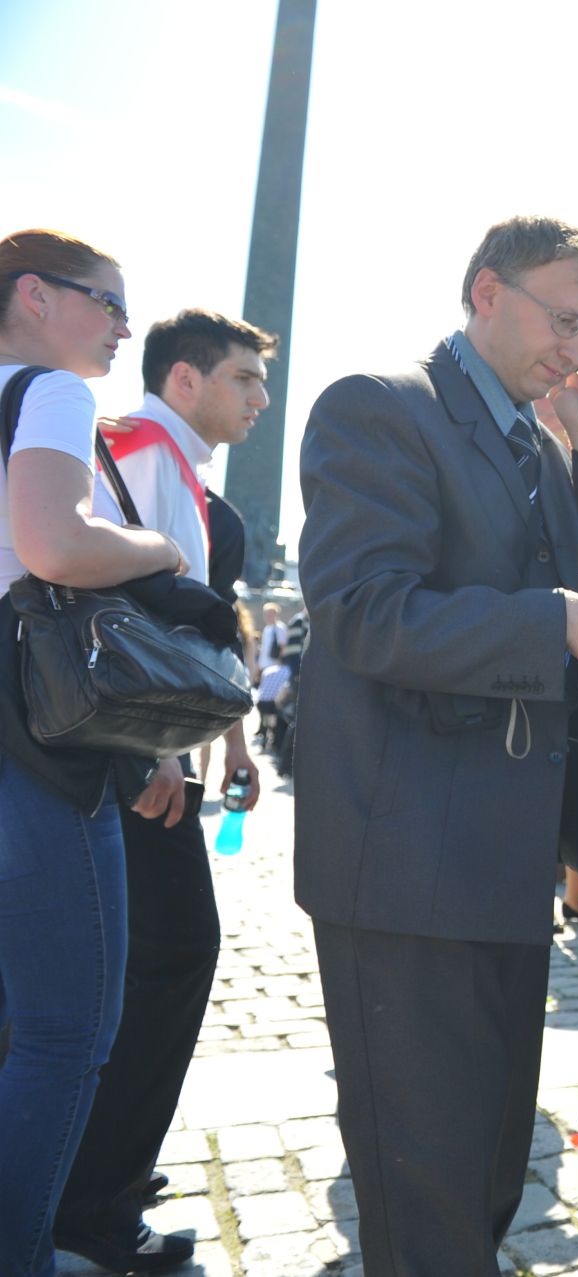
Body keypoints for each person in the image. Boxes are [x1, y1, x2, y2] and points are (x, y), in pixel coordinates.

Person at [295, 216, 578, 1277]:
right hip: (404, 866)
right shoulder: (380, 406)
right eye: (564, 316)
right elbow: (365, 612)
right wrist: (553, 621)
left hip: (502, 861)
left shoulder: (537, 438)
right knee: (428, 1196)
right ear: (485, 290)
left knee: (491, 1172)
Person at [52, 309, 277, 1273]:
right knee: (168, 957)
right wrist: (153, 758)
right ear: (183, 380)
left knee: (147, 962)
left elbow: (194, 634)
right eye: (243, 380)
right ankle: (92, 1201)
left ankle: (94, 1181)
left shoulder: (178, 471)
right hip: (125, 758)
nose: (260, 400)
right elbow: (112, 618)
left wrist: (230, 745)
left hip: (149, 754)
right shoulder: (139, 453)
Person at [0, 230, 195, 1277]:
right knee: (68, 1028)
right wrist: (159, 546)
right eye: (107, 302)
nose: (123, 325)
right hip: (33, 745)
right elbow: (55, 543)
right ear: (35, 295)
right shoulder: (49, 392)